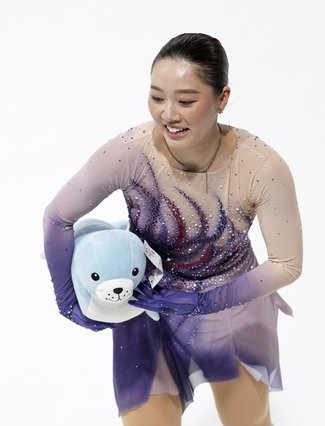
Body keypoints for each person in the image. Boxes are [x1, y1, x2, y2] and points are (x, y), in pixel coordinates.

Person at [43, 33, 303, 426]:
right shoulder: (129, 152)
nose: (167, 113)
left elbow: (287, 264)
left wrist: (208, 301)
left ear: (222, 98)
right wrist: (67, 299)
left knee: (248, 421)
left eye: (185, 101)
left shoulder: (260, 167)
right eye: (157, 97)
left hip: (232, 303)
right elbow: (57, 217)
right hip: (149, 306)